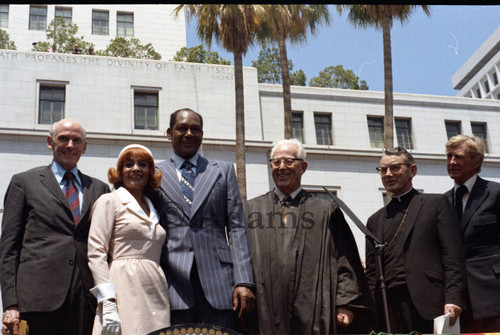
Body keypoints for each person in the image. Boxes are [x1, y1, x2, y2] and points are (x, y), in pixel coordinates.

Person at [243, 139, 374, 335]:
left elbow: (345, 259)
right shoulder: (251, 209)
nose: (282, 167)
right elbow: (238, 256)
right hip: (264, 309)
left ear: (303, 167)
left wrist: (345, 303)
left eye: (289, 161)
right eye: (276, 162)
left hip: (314, 309)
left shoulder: (326, 210)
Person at [0, 119, 110, 335]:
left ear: (84, 147)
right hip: (37, 300)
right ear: (50, 142)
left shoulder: (99, 188)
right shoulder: (24, 182)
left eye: (76, 140)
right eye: (63, 139)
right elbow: (8, 248)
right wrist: (10, 303)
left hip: (86, 299)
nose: (70, 145)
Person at [155, 108, 255, 330]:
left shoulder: (223, 171)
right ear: (169, 133)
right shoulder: (154, 174)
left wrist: (243, 280)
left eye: (195, 129)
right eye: (182, 128)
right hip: (173, 284)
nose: (189, 134)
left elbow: (237, 227)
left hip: (219, 283)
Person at [366, 147, 467, 334]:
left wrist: (453, 298)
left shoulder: (436, 204)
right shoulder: (374, 220)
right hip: (388, 308)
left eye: (395, 168)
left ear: (412, 170)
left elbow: (452, 256)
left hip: (429, 303)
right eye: (383, 169)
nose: (388, 174)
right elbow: (371, 273)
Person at [88, 144, 170, 335]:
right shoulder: (109, 201)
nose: (135, 169)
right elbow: (96, 252)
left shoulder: (154, 208)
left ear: (151, 171)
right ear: (119, 171)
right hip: (123, 287)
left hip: (155, 289)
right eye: (128, 164)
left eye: (142, 164)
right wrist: (108, 302)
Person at [445, 135, 500, 332]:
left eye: (458, 157)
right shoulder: (442, 203)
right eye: (449, 156)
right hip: (458, 303)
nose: (452, 162)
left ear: (477, 161)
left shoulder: (495, 193)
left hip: (493, 295)